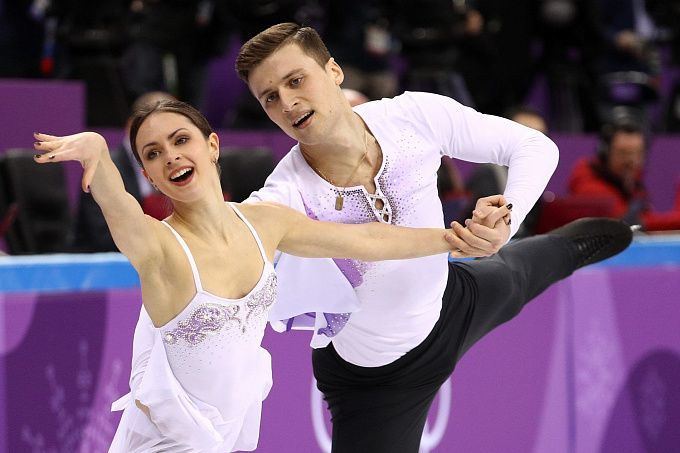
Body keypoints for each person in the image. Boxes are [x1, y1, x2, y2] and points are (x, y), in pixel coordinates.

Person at [231, 23, 633, 452]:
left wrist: (505, 220)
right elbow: (230, 242)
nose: (288, 102)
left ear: (334, 71)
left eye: (296, 80)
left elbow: (536, 147)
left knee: (520, 272)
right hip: (377, 380)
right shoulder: (284, 195)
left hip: (452, 304)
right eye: (270, 97)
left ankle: (572, 245)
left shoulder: (412, 117)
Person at [33, 100, 473, 452]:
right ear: (147, 176)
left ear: (212, 146)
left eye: (180, 139)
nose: (171, 156)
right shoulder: (160, 248)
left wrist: (453, 239)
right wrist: (97, 152)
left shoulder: (264, 224)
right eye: (153, 154)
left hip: (226, 437)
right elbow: (120, 209)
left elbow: (368, 241)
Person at [71, 91, 174, 252]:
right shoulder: (101, 170)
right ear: (132, 126)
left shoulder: (178, 166)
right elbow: (103, 237)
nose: (165, 141)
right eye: (157, 128)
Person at [568, 114, 680, 231]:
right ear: (605, 153)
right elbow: (627, 224)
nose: (630, 161)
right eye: (623, 153)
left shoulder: (632, 186)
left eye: (637, 154)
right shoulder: (588, 185)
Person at [462, 105, 549, 237]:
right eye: (528, 135)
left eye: (541, 136)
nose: (534, 144)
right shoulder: (489, 174)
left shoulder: (534, 174)